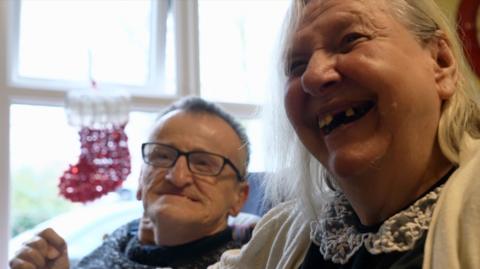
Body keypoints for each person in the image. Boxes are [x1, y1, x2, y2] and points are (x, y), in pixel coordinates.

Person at [210, 0, 480, 268]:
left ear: (440, 62)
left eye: (351, 39)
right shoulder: (284, 234)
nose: (313, 76)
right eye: (296, 66)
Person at [10, 96, 253, 269]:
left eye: (203, 164)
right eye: (162, 156)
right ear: (140, 180)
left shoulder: (244, 263)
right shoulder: (123, 237)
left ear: (238, 198)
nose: (177, 177)